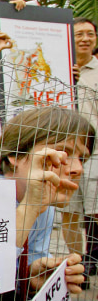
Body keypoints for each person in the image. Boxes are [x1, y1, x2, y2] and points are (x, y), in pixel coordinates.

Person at [0, 106, 92, 297]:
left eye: (82, 158)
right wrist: (30, 208)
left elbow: (28, 261)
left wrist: (33, 277)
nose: (78, 169)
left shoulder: (44, 207)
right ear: (16, 155)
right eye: (62, 153)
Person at [61, 17, 98, 284]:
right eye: (79, 34)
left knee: (96, 210)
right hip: (64, 152)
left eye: (90, 34)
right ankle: (79, 266)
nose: (85, 39)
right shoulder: (60, 68)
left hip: (95, 152)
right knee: (70, 212)